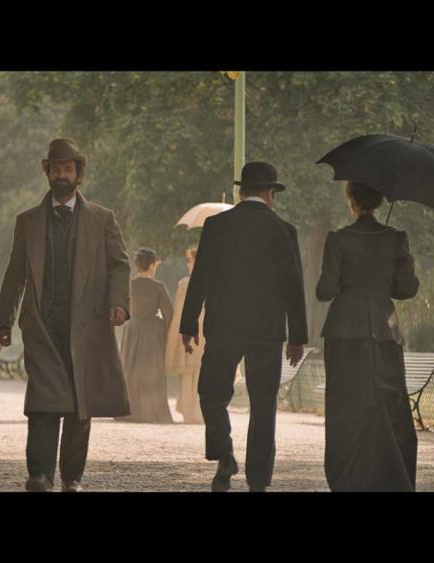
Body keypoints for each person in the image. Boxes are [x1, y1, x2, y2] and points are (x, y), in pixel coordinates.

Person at [0, 138, 131, 492]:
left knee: (79, 404)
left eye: (67, 170)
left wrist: (118, 302)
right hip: (42, 324)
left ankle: (72, 477)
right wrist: (4, 318)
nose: (61, 176)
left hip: (86, 326)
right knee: (43, 400)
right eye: (55, 170)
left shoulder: (102, 219)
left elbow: (119, 264)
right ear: (48, 173)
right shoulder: (28, 221)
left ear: (79, 174)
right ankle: (40, 474)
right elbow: (15, 273)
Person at [180, 161, 308, 492]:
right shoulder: (284, 230)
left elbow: (201, 277)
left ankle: (224, 454)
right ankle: (258, 481)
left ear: (241, 192)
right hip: (267, 330)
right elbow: (294, 287)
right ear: (270, 193)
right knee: (263, 405)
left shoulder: (217, 225)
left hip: (224, 326)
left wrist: (188, 323)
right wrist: (297, 337)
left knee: (211, 393)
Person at [317, 181, 420, 492]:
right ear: (380, 200)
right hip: (385, 332)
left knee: (345, 406)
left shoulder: (338, 239)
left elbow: (326, 290)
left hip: (344, 331)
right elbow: (407, 289)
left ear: (351, 200)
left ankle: (348, 479)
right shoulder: (396, 238)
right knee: (390, 406)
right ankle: (391, 476)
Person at [119, 247, 174, 423]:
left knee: (131, 368)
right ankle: (152, 411)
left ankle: (129, 410)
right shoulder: (158, 287)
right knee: (152, 370)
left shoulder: (129, 284)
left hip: (132, 328)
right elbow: (169, 314)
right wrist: (165, 331)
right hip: (152, 331)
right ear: (151, 265)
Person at [165, 247, 206, 424]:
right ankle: (199, 411)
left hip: (192, 326)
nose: (188, 264)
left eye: (190, 260)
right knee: (201, 369)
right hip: (206, 327)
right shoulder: (213, 280)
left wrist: (175, 334)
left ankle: (190, 411)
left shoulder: (184, 283)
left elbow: (179, 312)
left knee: (189, 370)